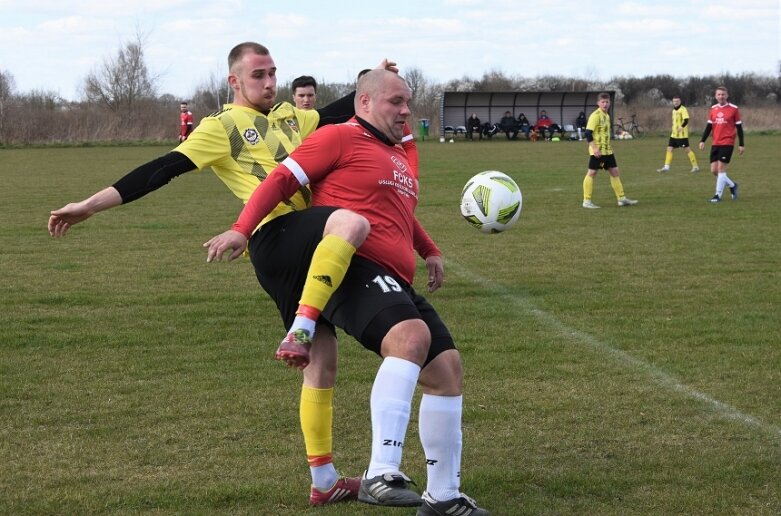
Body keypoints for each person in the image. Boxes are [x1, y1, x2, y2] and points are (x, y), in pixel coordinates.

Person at [47, 41, 397, 507]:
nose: (269, 83)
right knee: (349, 222)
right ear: (234, 81)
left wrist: (372, 78)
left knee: (322, 363)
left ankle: (325, 480)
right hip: (276, 236)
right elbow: (162, 169)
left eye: (273, 73)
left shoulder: (295, 117)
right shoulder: (222, 127)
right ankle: (304, 325)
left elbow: (336, 112)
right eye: (258, 76)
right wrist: (89, 205)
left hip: (309, 248)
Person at [204, 69, 489, 516]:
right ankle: (381, 471)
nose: (406, 110)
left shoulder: (393, 156)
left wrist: (429, 250)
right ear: (364, 103)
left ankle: (442, 497)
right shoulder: (338, 136)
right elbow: (280, 180)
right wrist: (243, 229)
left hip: (396, 274)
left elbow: (399, 212)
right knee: (410, 340)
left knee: (447, 370)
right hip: (351, 265)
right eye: (396, 101)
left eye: (408, 102)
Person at [582, 92, 638, 209]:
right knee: (592, 173)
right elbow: (587, 133)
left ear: (610, 103)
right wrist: (594, 147)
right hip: (598, 151)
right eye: (602, 102)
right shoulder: (595, 115)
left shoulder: (607, 116)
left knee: (615, 171)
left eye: (607, 102)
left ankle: (621, 199)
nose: (605, 104)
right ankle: (586, 201)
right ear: (598, 103)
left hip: (608, 151)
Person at [698, 86, 744, 202]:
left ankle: (717, 195)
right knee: (714, 170)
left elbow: (739, 128)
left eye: (723, 94)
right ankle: (733, 185)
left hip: (728, 142)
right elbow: (709, 126)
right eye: (719, 94)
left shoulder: (734, 109)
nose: (721, 96)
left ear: (727, 95)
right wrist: (702, 140)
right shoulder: (713, 109)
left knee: (721, 169)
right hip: (715, 142)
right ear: (715, 96)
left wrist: (741, 144)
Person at [656, 96, 700, 173]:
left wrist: (681, 127)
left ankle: (695, 166)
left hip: (682, 135)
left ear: (680, 101)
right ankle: (666, 167)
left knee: (687, 150)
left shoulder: (683, 109)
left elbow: (686, 120)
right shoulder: (673, 110)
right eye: (674, 101)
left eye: (677, 101)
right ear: (672, 102)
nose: (675, 102)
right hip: (674, 134)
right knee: (669, 149)